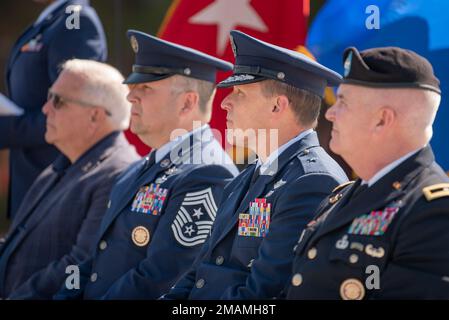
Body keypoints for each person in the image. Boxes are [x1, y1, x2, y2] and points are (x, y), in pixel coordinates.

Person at [162, 30, 348, 300]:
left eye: (239, 92)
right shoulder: (247, 176)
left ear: (277, 106)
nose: (225, 102)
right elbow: (198, 274)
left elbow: (263, 294)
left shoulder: (313, 181)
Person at [54, 30, 239, 300]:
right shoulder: (138, 169)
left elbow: (160, 279)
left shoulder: (207, 172)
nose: (130, 97)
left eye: (146, 88)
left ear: (187, 102)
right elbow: (96, 261)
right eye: (133, 86)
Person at [285, 46, 449, 300]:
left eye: (343, 102)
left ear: (382, 120)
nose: (329, 113)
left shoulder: (434, 211)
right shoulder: (340, 197)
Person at [0, 59, 139, 299]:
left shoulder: (118, 174)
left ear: (94, 116)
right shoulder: (62, 164)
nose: (45, 109)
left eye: (58, 100)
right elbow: (18, 245)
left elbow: (80, 265)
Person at [1, 0, 107, 219]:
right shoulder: (54, 19)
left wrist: (6, 128)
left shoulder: (75, 19)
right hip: (34, 187)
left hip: (55, 192)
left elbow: (75, 113)